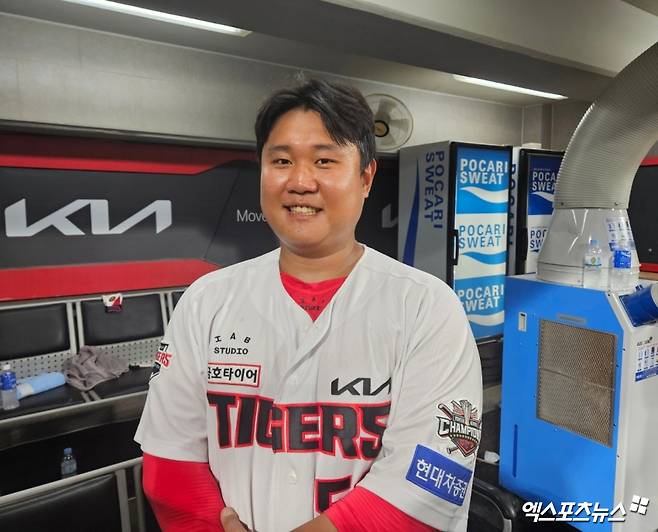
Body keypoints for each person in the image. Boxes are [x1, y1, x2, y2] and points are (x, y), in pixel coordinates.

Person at [135, 78, 482, 532]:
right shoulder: (206, 301)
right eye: (281, 161)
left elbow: (427, 484)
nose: (300, 182)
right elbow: (170, 466)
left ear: (366, 177)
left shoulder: (426, 307)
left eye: (324, 160)